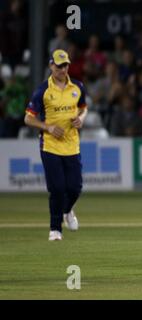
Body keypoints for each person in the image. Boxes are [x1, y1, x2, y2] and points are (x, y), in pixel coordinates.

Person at [24, 49, 88, 241]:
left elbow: (84, 108)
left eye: (65, 65)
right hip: (50, 145)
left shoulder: (77, 87)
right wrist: (48, 127)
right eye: (59, 66)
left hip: (72, 145)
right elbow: (28, 118)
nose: (63, 69)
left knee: (75, 187)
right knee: (57, 188)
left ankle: (67, 211)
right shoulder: (42, 90)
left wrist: (81, 119)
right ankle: (55, 229)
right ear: (51, 66)